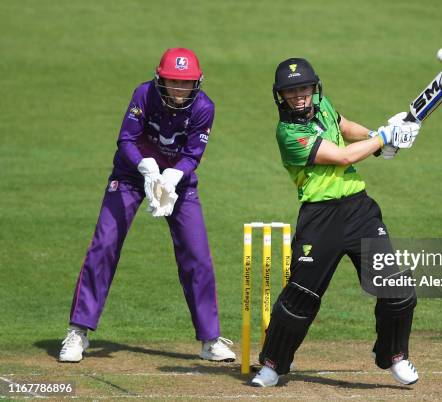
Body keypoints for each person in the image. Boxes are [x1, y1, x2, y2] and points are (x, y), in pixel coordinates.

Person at [250, 58, 421, 387]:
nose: (299, 96)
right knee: (301, 296)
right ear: (280, 96)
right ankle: (273, 364)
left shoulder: (322, 104)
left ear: (314, 89)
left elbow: (344, 126)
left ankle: (394, 355)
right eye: (291, 91)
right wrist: (385, 136)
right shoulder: (288, 133)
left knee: (396, 288)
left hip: (360, 210)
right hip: (319, 218)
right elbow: (342, 155)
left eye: (304, 89)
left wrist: (375, 138)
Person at [59, 48, 235, 363]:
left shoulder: (204, 107)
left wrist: (172, 177)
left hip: (176, 180)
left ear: (197, 83)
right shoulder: (144, 94)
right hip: (131, 174)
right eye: (173, 82)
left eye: (186, 83)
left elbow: (193, 155)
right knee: (104, 245)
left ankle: (210, 340)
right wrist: (146, 168)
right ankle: (78, 332)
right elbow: (126, 140)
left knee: (197, 255)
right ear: (161, 79)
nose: (180, 90)